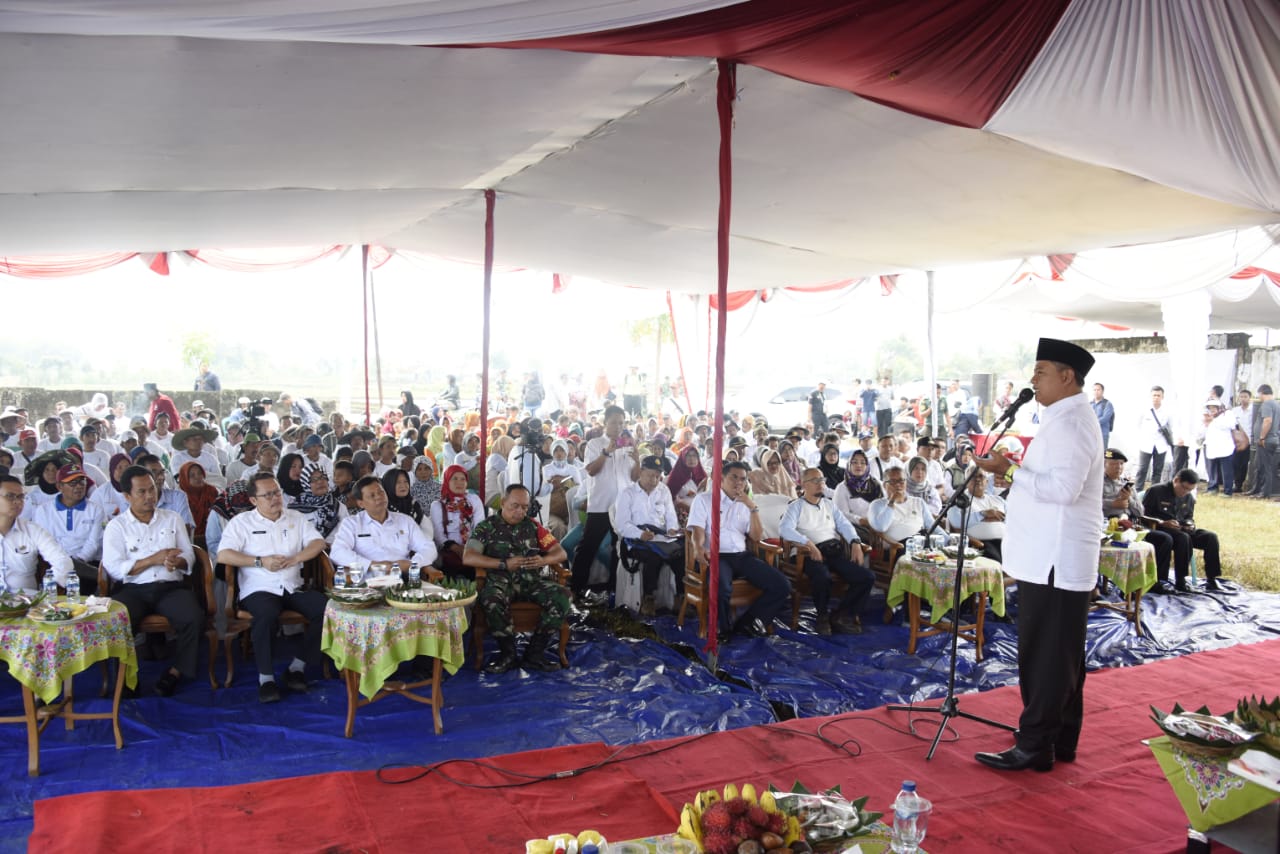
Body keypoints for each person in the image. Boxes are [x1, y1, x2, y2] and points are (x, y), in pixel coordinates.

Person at [973, 337, 1102, 773]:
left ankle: (1035, 744)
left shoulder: (1072, 423)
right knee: (1060, 654)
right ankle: (1057, 738)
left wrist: (1009, 470)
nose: (1033, 379)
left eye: (1041, 372)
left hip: (1055, 559)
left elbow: (1063, 490)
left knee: (1047, 655)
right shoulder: (1063, 417)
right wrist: (1017, 470)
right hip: (1048, 556)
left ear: (1067, 377)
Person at [217, 472, 329, 703]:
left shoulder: (295, 517)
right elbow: (224, 555)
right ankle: (266, 679)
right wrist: (260, 561)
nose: (275, 498)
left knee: (328, 610)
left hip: (292, 585)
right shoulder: (242, 522)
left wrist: (297, 558)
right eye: (267, 495)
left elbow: (318, 542)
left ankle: (297, 667)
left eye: (277, 492)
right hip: (259, 587)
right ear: (253, 500)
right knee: (266, 614)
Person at [103, 464, 202, 697]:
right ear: (127, 496)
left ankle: (176, 672)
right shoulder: (117, 526)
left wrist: (178, 562)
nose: (150, 496)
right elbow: (114, 567)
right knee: (117, 619)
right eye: (142, 492)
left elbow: (189, 554)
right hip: (133, 589)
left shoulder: (172, 518)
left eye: (152, 489)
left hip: (169, 587)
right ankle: (126, 680)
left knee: (194, 617)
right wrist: (152, 560)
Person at [464, 484, 570, 673]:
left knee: (563, 595)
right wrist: (503, 564)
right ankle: (508, 655)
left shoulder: (534, 526)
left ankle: (534, 654)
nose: (520, 511)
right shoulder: (486, 527)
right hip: (500, 582)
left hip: (530, 582)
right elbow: (469, 557)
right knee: (491, 599)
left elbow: (560, 553)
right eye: (515, 506)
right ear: (503, 502)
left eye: (524, 507)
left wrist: (543, 560)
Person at [686, 460, 791, 641]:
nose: (738, 483)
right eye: (734, 477)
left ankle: (748, 623)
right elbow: (697, 531)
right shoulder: (704, 500)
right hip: (717, 556)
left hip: (742, 556)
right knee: (721, 587)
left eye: (742, 479)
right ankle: (724, 629)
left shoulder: (746, 504)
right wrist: (698, 547)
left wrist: (753, 508)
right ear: (722, 478)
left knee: (782, 585)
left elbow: (756, 537)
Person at [779, 467, 873, 635]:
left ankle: (841, 615)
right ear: (804, 485)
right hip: (806, 554)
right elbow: (785, 529)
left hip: (832, 551)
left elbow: (845, 525)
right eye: (815, 481)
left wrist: (855, 542)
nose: (820, 484)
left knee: (866, 577)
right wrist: (808, 543)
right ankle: (822, 617)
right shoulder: (796, 506)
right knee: (822, 576)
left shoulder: (829, 505)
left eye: (822, 480)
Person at [570, 405, 636, 601]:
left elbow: (634, 477)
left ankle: (614, 590)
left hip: (622, 507)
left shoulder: (628, 446)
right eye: (614, 422)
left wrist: (637, 459)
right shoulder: (594, 444)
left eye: (621, 423)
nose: (618, 427)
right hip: (600, 505)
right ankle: (575, 589)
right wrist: (606, 452)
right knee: (587, 547)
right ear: (605, 423)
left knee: (619, 549)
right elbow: (591, 470)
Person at [614, 455, 684, 616]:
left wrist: (672, 529)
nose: (654, 480)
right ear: (641, 472)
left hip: (661, 539)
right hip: (636, 541)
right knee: (653, 557)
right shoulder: (628, 493)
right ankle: (648, 598)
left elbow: (671, 516)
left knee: (681, 555)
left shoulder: (663, 490)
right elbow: (622, 525)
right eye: (650, 475)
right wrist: (640, 534)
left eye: (658, 476)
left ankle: (680, 598)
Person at [1100, 449, 1176, 592]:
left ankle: (1157, 582)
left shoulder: (1127, 484)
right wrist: (1113, 504)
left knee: (1164, 539)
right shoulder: (1097, 482)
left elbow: (1140, 512)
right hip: (1108, 526)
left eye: (1121, 464)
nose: (1118, 467)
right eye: (1114, 464)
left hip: (1130, 526)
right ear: (1104, 464)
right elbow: (1091, 504)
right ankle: (1124, 584)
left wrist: (1128, 499)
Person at [1142, 468, 1224, 591]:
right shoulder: (1156, 491)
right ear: (1176, 480)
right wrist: (1162, 522)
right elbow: (1143, 515)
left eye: (1190, 490)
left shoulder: (1188, 497)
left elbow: (1189, 517)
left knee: (1211, 537)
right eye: (1184, 488)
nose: (1185, 492)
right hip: (1160, 529)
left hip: (1181, 529)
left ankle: (1212, 578)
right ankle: (1179, 579)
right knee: (1183, 538)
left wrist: (1190, 525)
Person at [0, 474, 73, 592]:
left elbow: (62, 560)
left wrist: (49, 588)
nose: (17, 502)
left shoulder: (33, 531)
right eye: (10, 496)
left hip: (26, 600)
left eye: (21, 497)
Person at [948, 470, 1006, 562]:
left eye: (981, 476)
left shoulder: (998, 500)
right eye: (973, 476)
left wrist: (997, 518)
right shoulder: (960, 500)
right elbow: (955, 521)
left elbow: (1013, 519)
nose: (977, 479)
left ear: (987, 481)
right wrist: (983, 514)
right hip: (980, 544)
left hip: (1007, 541)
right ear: (966, 481)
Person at [1135, 386, 1173, 491]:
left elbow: (1171, 427)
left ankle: (1154, 491)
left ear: (1162, 397)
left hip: (1161, 444)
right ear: (1150, 396)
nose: (1156, 397)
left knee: (1157, 470)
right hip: (1146, 443)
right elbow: (1138, 425)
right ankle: (1138, 490)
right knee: (1142, 469)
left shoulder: (1167, 412)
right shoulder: (1144, 410)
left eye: (1158, 395)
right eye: (1154, 395)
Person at [1245, 384, 1277, 499]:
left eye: (1259, 394)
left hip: (1266, 440)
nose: (1259, 397)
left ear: (1262, 392)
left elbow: (1268, 420)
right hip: (1270, 439)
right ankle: (1256, 489)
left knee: (1265, 467)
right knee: (1258, 466)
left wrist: (1262, 437)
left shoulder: (1267, 404)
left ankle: (1265, 492)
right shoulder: (1276, 405)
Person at [1202, 399, 1238, 496]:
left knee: (1226, 471)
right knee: (1211, 469)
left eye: (1214, 407)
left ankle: (1227, 491)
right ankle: (1212, 488)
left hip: (1225, 446)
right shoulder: (1207, 416)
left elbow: (1231, 425)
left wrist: (1213, 420)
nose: (1212, 410)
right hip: (1211, 446)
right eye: (1210, 408)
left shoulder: (1228, 414)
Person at [177, 461, 219, 542]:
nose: (198, 477)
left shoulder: (211, 491)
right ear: (185, 478)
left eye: (200, 473)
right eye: (192, 475)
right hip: (189, 539)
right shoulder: (180, 496)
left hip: (213, 536)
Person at [1231, 390, 1253, 494]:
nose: (1243, 399)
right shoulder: (1235, 411)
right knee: (1235, 462)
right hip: (1237, 441)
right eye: (1241, 396)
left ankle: (1240, 483)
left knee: (1244, 463)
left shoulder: (1253, 410)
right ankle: (1236, 483)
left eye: (1245, 396)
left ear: (1249, 398)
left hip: (1249, 441)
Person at [1091, 383, 1115, 450]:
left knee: (1103, 453)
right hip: (1091, 434)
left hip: (1102, 434)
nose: (1096, 392)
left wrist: (1092, 422)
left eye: (1098, 390)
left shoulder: (1108, 404)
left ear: (1102, 391)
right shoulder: (1090, 404)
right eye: (1094, 390)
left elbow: (1105, 418)